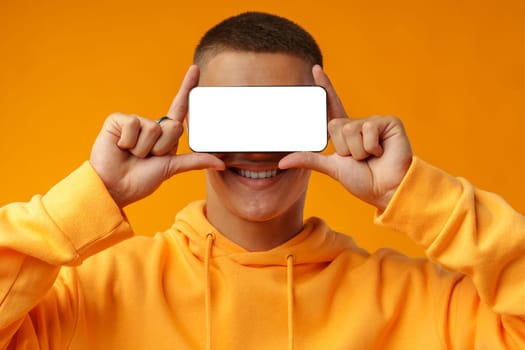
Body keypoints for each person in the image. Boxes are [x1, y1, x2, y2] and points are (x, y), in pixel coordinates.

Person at [1, 11, 524, 350]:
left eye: (279, 118)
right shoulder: (90, 294)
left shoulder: (426, 304)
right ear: (189, 125)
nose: (256, 147)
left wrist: (412, 194)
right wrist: (95, 195)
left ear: (323, 126)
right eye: (232, 118)